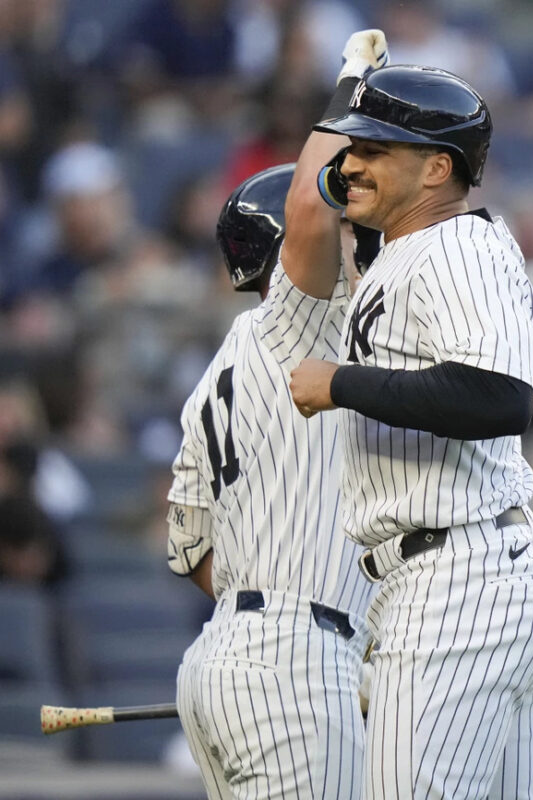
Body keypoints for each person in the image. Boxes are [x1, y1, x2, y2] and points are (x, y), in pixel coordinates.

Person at [287, 64, 533, 799]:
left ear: (438, 168)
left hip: (460, 581)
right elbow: (311, 203)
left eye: (376, 149)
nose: (352, 164)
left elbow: (498, 398)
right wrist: (348, 89)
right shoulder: (409, 251)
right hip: (470, 569)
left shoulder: (455, 245)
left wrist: (339, 382)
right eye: (352, 148)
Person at [167, 29, 389, 799]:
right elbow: (311, 200)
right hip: (294, 662)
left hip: (222, 658)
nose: (362, 254)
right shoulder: (300, 320)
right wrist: (353, 82)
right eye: (352, 239)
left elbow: (193, 554)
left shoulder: (216, 377)